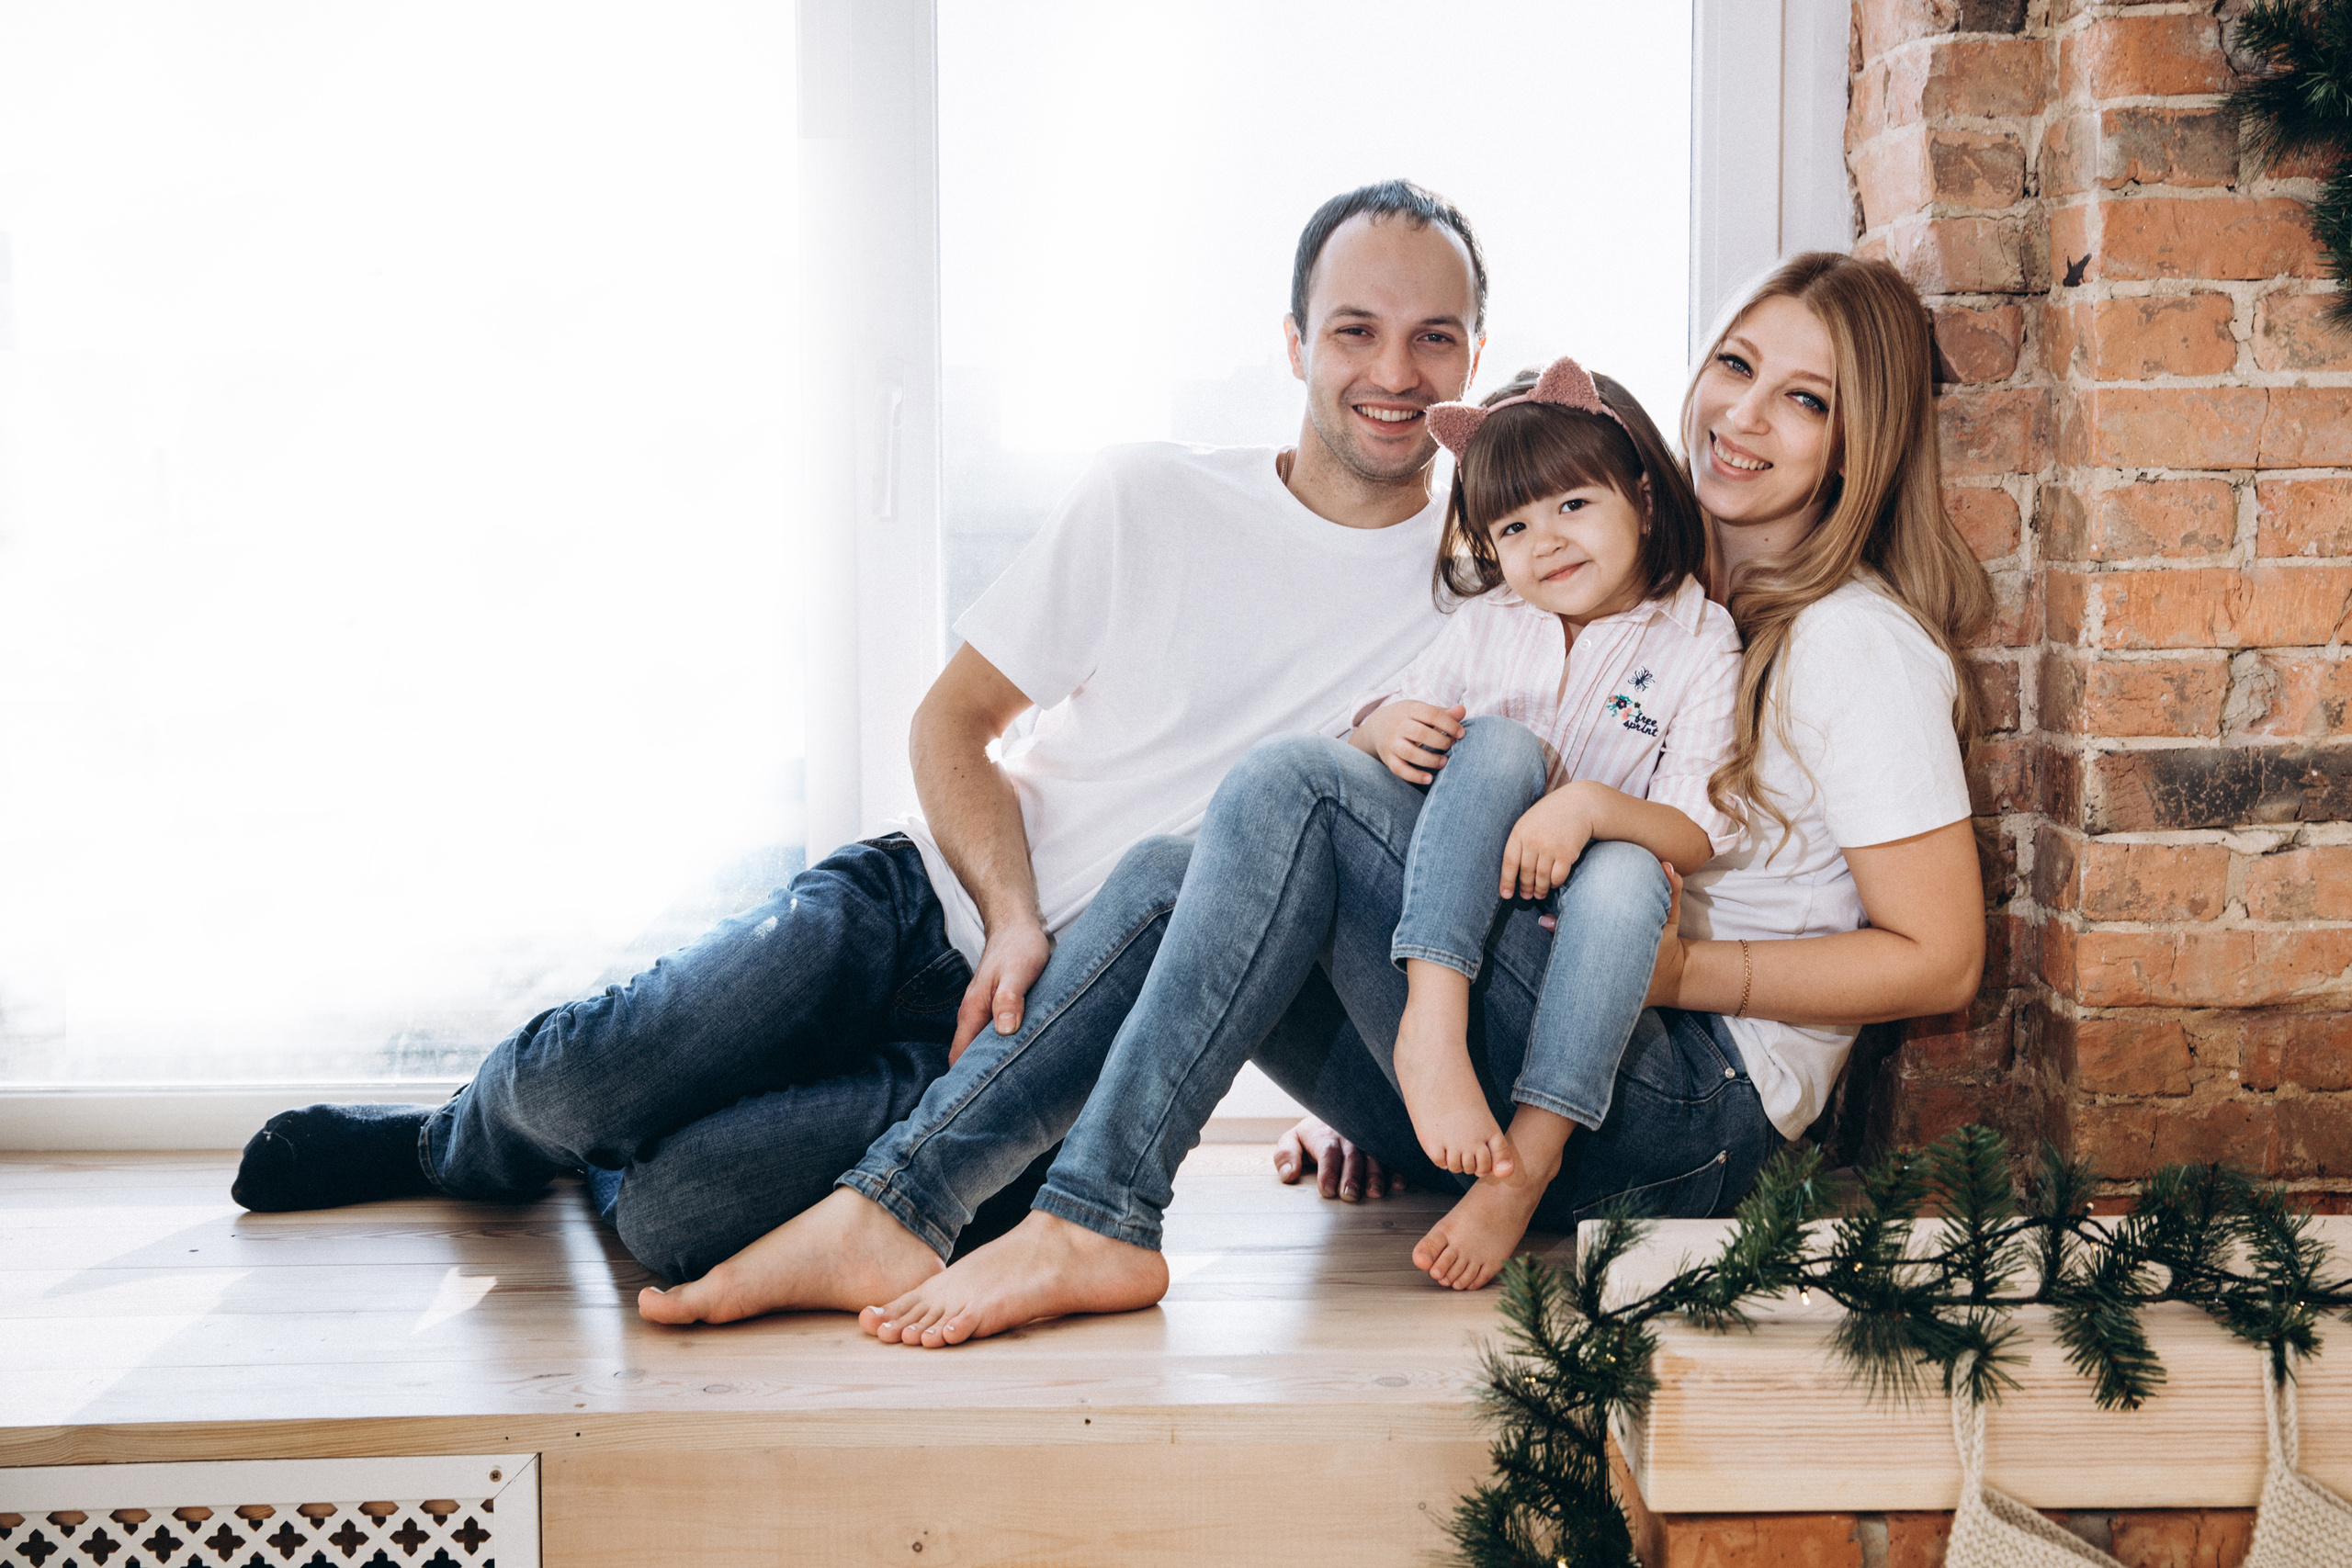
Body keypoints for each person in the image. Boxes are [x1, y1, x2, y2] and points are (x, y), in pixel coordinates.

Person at [226, 179, 1482, 1292]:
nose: (1395, 372)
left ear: (1477, 354)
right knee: (574, 1084)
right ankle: (451, 1142)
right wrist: (1010, 915)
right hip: (914, 911)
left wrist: (1344, 1093)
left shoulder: (1497, 600)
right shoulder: (1153, 497)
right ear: (1293, 343)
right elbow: (954, 722)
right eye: (1354, 330)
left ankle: (643, 1147)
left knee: (673, 1218)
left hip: (1041, 1051)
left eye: (1435, 336)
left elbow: (1375, 893)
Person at [834, 249, 1993, 1347]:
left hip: (1688, 1114)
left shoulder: (1852, 644)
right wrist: (1355, 1029)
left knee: (1293, 786)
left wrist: (1682, 973)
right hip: (1553, 1045)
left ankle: (1073, 1215)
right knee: (1171, 873)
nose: (1742, 415)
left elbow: (1939, 961)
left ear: (1857, 448)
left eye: (1804, 400)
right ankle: (909, 1204)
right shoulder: (1673, 600)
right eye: (1735, 365)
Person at [1346, 355, 1740, 1187]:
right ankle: (1432, 1022)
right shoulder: (1489, 623)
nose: (1547, 541)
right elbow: (1365, 744)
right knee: (1498, 746)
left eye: (1573, 505)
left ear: (1641, 497)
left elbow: (1697, 832)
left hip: (1581, 948)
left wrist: (1591, 807)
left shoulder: (1697, 639)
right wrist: (1381, 727)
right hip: (1456, 913)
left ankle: (1534, 1153)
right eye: (1514, 528)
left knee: (1632, 871)